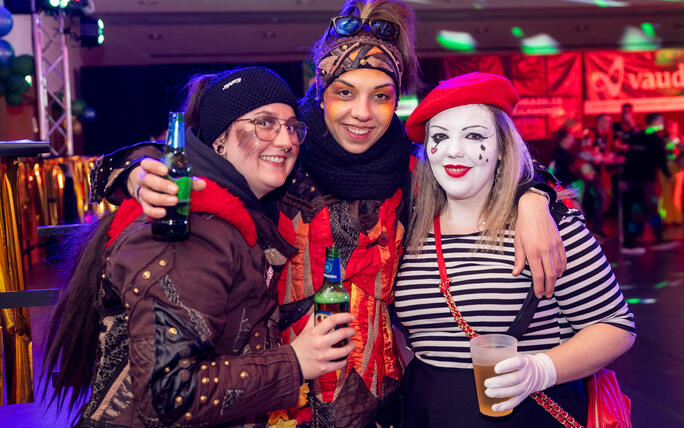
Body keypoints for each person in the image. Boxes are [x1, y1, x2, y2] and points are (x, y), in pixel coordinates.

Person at [87, 2, 567, 425]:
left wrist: (533, 197)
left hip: (379, 404)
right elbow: (172, 155)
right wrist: (131, 173)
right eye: (344, 93)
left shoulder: (411, 170)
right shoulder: (282, 159)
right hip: (271, 398)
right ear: (320, 92)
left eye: (381, 95)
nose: (362, 112)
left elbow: (493, 165)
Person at [42, 67, 357, 427]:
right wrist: (296, 361)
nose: (286, 140)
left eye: (291, 127)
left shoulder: (241, 217)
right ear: (219, 140)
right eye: (265, 123)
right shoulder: (189, 227)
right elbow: (170, 394)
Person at [396, 72, 635, 427]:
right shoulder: (409, 229)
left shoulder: (551, 228)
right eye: (440, 137)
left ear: (502, 147)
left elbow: (615, 326)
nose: (454, 150)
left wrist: (541, 370)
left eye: (474, 135)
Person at [620, 112, 673, 254]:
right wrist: (668, 175)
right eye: (661, 120)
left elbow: (629, 160)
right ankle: (630, 243)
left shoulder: (637, 136)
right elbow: (661, 159)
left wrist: (625, 178)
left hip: (634, 180)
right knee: (643, 209)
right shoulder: (656, 138)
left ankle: (657, 238)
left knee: (646, 208)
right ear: (656, 121)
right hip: (646, 180)